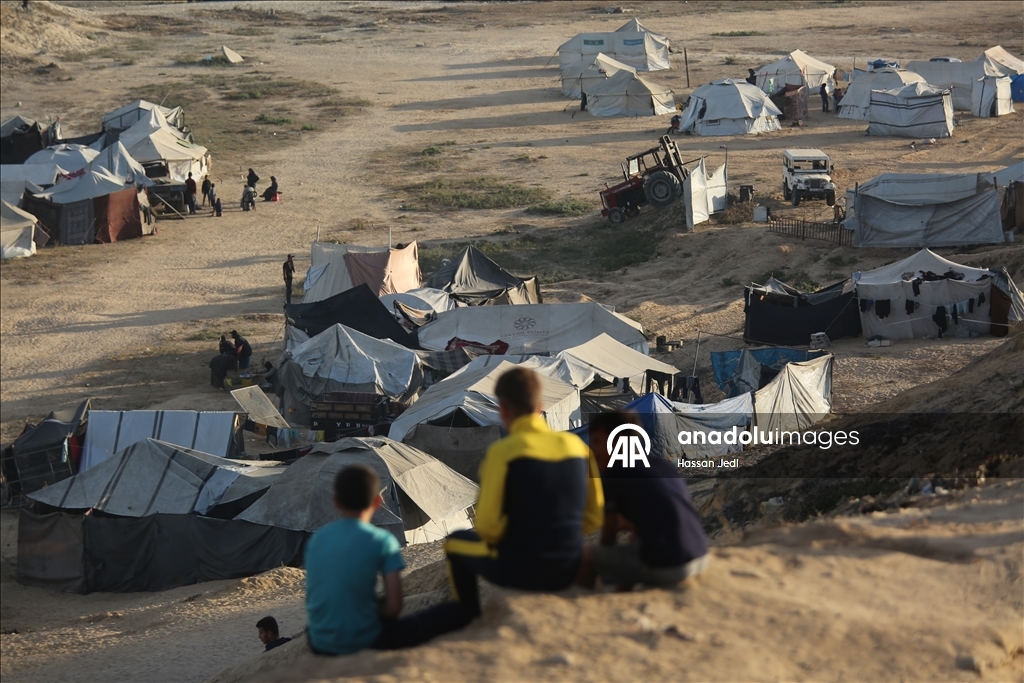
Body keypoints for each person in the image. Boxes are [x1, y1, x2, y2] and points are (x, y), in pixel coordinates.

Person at [435, 368, 603, 627]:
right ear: (541, 405)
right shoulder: (579, 448)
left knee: (455, 543)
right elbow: (594, 517)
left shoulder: (504, 453)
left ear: (503, 409)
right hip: (568, 566)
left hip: (523, 571)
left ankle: (466, 616)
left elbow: (488, 527)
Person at [306, 465, 466, 655]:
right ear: (377, 501)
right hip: (366, 641)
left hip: (319, 643)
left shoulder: (317, 540)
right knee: (449, 613)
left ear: (336, 502)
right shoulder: (381, 540)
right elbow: (395, 605)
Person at [581, 410, 709, 590]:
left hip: (671, 566)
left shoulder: (613, 476)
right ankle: (622, 591)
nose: (592, 450)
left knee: (587, 557)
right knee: (637, 543)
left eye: (596, 442)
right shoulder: (661, 465)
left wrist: (601, 560)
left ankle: (585, 601)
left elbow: (608, 536)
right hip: (700, 555)